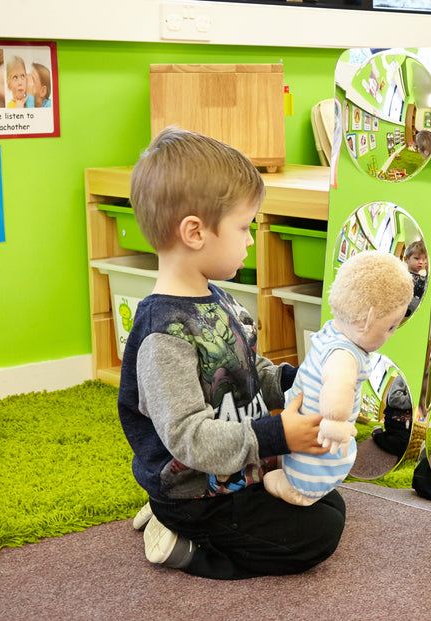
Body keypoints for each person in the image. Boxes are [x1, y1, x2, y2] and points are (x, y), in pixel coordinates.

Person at [117, 127, 345, 579]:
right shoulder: (163, 337)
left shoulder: (216, 297)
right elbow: (189, 438)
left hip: (238, 469)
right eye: (244, 227)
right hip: (195, 494)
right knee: (317, 536)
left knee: (330, 500)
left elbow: (247, 368)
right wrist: (275, 435)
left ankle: (175, 518)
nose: (251, 239)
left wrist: (297, 380)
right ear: (195, 232)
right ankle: (183, 545)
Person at [263, 251, 412, 506]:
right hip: (318, 441)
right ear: (365, 321)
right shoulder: (345, 355)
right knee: (315, 482)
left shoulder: (334, 330)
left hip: (298, 431)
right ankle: (298, 490)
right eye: (389, 327)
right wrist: (336, 422)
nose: (391, 334)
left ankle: (288, 476)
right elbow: (338, 386)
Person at [371, 375, 414, 461]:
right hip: (395, 420)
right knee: (403, 446)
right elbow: (394, 399)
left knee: (413, 446)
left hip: (408, 424)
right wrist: (413, 400)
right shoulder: (402, 378)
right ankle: (378, 435)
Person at [404, 240, 428, 316]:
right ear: (406, 259)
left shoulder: (422, 278)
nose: (421, 262)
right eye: (417, 258)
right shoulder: (404, 275)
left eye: (424, 259)